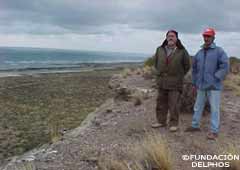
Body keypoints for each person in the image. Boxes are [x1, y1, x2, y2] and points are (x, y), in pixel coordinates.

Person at [185, 28, 229, 140]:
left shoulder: (219, 51)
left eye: (209, 36)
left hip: (214, 87)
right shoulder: (199, 53)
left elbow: (225, 66)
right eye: (205, 36)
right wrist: (195, 82)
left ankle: (214, 131)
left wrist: (216, 78)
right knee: (198, 106)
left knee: (214, 109)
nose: (206, 38)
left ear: (213, 38)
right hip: (201, 86)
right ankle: (195, 126)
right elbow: (194, 69)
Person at [152, 30, 190, 132]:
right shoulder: (160, 49)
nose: (170, 38)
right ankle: (161, 121)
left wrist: (178, 76)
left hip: (175, 83)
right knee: (161, 103)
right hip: (162, 82)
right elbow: (156, 64)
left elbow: (187, 66)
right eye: (169, 36)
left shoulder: (182, 51)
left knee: (174, 104)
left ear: (176, 38)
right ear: (166, 38)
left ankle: (174, 124)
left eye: (173, 36)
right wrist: (159, 74)